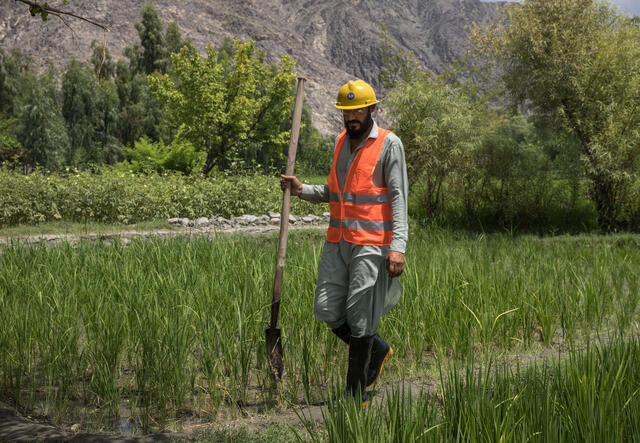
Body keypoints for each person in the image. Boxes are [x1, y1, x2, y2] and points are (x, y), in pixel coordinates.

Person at [281, 79, 408, 404]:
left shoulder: (389, 145)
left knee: (360, 316)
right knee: (326, 309)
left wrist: (398, 247)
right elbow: (334, 192)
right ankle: (376, 349)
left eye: (358, 110)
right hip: (338, 243)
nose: (352, 117)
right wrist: (301, 190)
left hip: (372, 245)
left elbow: (398, 199)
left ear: (372, 109)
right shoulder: (340, 142)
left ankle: (356, 395)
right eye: (347, 111)